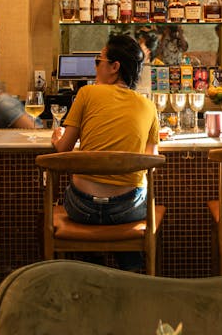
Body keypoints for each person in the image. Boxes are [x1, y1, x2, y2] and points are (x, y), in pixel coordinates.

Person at [50, 34, 159, 272]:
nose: (95, 66)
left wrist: (56, 137)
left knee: (82, 208)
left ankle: (92, 271)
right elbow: (150, 160)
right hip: (127, 210)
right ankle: (131, 275)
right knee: (137, 197)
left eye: (97, 61)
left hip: (82, 208)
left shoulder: (87, 94)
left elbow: (63, 149)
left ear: (115, 67)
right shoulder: (149, 106)